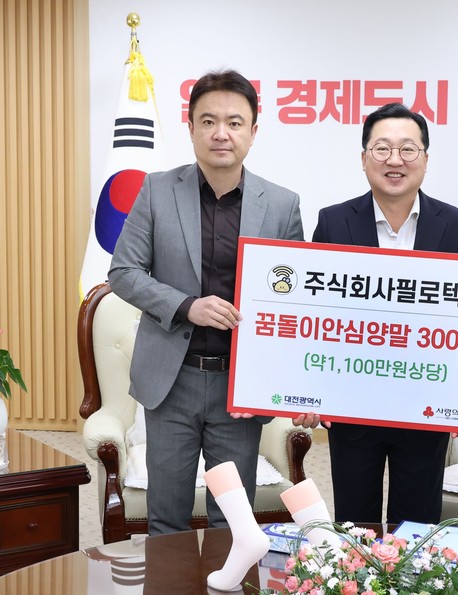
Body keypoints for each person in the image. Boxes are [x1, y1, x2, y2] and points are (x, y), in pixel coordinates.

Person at [108, 69, 308, 535]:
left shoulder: (282, 205)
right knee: (166, 520)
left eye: (234, 122)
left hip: (239, 387)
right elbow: (122, 272)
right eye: (209, 121)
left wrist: (289, 383)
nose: (222, 133)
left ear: (253, 131)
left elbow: (294, 300)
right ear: (192, 128)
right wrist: (186, 306)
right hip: (171, 380)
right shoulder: (157, 190)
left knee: (232, 524)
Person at [311, 102, 458, 524]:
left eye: (408, 149)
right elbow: (313, 316)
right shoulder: (333, 223)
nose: (395, 160)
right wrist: (312, 391)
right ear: (364, 157)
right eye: (382, 148)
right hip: (352, 401)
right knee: (355, 525)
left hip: (426, 404)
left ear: (425, 158)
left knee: (418, 527)